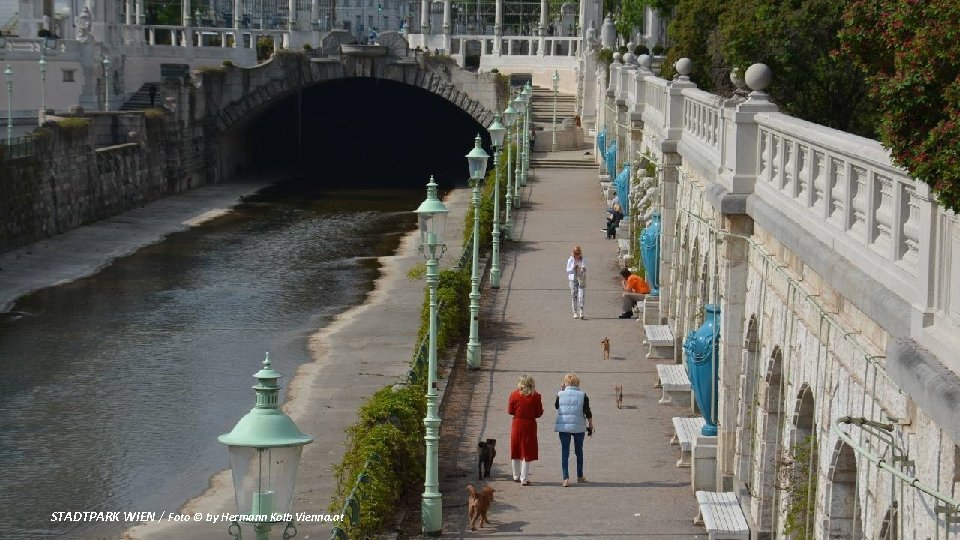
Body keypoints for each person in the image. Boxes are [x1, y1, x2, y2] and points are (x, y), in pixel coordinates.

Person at [554, 373, 594, 487]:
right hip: (579, 427)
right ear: (577, 383)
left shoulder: (560, 394)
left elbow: (557, 406)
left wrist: (561, 391)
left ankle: (565, 478)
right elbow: (587, 411)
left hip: (564, 427)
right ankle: (580, 476)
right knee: (579, 452)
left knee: (565, 452)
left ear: (565, 383)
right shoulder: (583, 395)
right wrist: (590, 424)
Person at [508, 374, 544, 485]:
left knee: (516, 449)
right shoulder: (536, 396)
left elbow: (510, 411)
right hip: (530, 425)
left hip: (517, 424)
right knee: (526, 451)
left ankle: (515, 475)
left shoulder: (514, 395)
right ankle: (524, 478)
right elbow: (538, 413)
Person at [566, 245, 586, 319]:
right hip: (573, 280)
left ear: (580, 253)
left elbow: (584, 268)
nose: (577, 255)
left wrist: (583, 269)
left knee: (581, 296)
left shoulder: (583, 259)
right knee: (574, 296)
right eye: (575, 253)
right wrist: (573, 268)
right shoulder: (570, 260)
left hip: (581, 279)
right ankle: (575, 312)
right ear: (573, 253)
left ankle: (581, 312)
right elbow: (567, 271)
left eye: (578, 253)